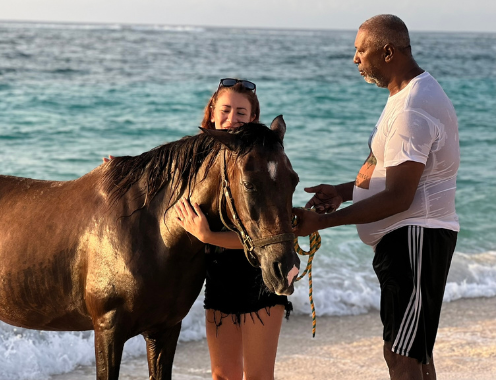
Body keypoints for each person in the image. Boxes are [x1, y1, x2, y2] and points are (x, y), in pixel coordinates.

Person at [293, 15, 459, 380]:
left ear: (387, 52)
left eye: (360, 50)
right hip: (410, 238)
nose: (355, 59)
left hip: (416, 235)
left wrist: (322, 222)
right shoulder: (404, 97)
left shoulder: (413, 105)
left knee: (403, 355)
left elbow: (400, 196)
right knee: (410, 353)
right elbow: (388, 172)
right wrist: (341, 192)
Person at [175, 78, 291, 380]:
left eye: (241, 112)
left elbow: (263, 237)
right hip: (219, 277)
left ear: (253, 118)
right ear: (213, 111)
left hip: (260, 277)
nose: (231, 118)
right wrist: (120, 172)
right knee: (223, 376)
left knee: (258, 377)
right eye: (225, 110)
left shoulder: (261, 159)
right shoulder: (193, 157)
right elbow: (160, 187)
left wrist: (208, 236)